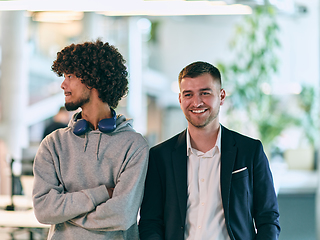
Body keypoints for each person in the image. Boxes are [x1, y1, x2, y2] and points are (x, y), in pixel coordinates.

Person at [138, 61, 280, 240]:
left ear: (221, 96)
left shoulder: (250, 151)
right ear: (180, 99)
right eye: (188, 94)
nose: (197, 102)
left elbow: (268, 217)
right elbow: (150, 222)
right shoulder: (160, 157)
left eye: (205, 93)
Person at [32, 40, 149, 240]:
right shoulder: (53, 144)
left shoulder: (133, 145)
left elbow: (122, 215)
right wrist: (102, 194)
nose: (63, 84)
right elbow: (44, 211)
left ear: (92, 79)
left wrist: (66, 215)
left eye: (69, 76)